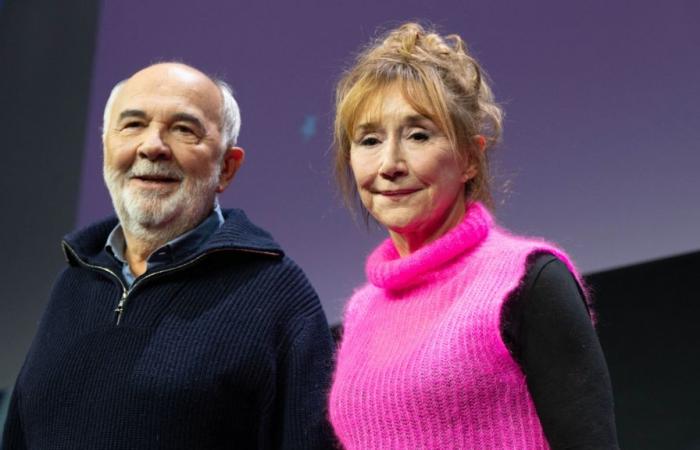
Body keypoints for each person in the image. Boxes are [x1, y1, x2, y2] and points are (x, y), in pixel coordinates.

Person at [2, 62, 335, 449]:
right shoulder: (77, 280)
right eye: (132, 125)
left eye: (183, 129)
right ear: (106, 149)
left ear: (226, 167)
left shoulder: (279, 296)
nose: (152, 146)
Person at [328, 23, 619, 449]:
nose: (389, 163)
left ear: (470, 158)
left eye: (418, 135)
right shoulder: (360, 312)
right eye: (369, 140)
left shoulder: (528, 281)